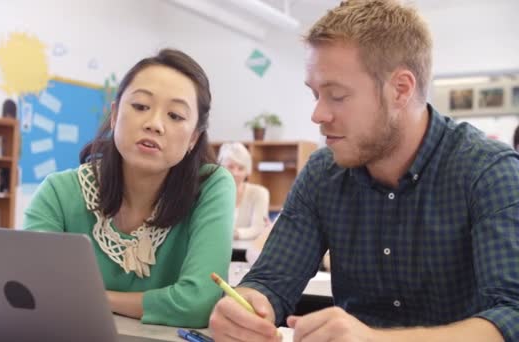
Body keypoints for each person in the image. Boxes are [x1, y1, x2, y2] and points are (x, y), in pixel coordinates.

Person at [209, 1, 519, 341]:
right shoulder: (322, 174)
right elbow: (271, 281)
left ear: (401, 89)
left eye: (337, 96)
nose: (317, 114)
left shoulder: (488, 172)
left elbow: (512, 315)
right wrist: (250, 305)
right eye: (315, 94)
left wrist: (377, 340)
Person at [24, 49, 236, 328]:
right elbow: (30, 291)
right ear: (114, 116)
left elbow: (198, 303)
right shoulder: (59, 193)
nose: (154, 124)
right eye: (140, 106)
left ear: (194, 138)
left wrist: (95, 298)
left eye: (175, 115)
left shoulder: (211, 186)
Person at [217, 142, 269, 240]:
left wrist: (232, 234)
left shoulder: (260, 193)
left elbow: (258, 228)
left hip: (244, 252)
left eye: (241, 168)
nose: (235, 173)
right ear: (221, 168)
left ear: (247, 171)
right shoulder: (212, 193)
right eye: (230, 167)